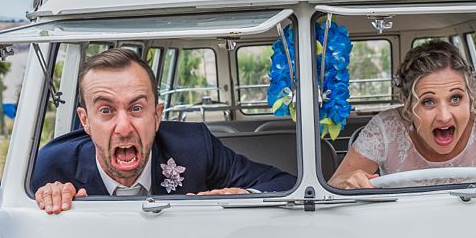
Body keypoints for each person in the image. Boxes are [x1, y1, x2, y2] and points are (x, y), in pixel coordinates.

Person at [33, 48, 295, 212]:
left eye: (136, 108)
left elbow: (284, 184)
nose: (123, 128)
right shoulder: (52, 166)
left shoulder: (195, 148)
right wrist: (49, 199)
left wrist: (241, 195)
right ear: (85, 121)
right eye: (106, 110)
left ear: (157, 115)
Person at [329, 39, 476, 190]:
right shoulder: (384, 129)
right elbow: (334, 187)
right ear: (406, 103)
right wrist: (348, 182)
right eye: (428, 101)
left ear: (472, 97)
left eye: (456, 98)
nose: (444, 116)